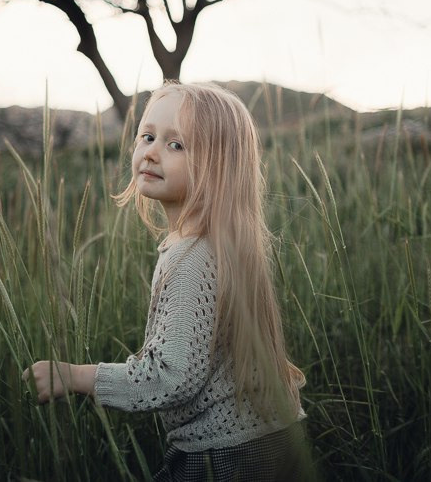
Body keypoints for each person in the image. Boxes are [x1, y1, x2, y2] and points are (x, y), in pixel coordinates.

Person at [23, 81, 314, 481]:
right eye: (148, 136)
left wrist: (76, 376)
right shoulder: (224, 246)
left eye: (177, 145)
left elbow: (171, 377)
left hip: (223, 456)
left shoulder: (190, 259)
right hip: (271, 439)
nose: (152, 151)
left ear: (218, 167)